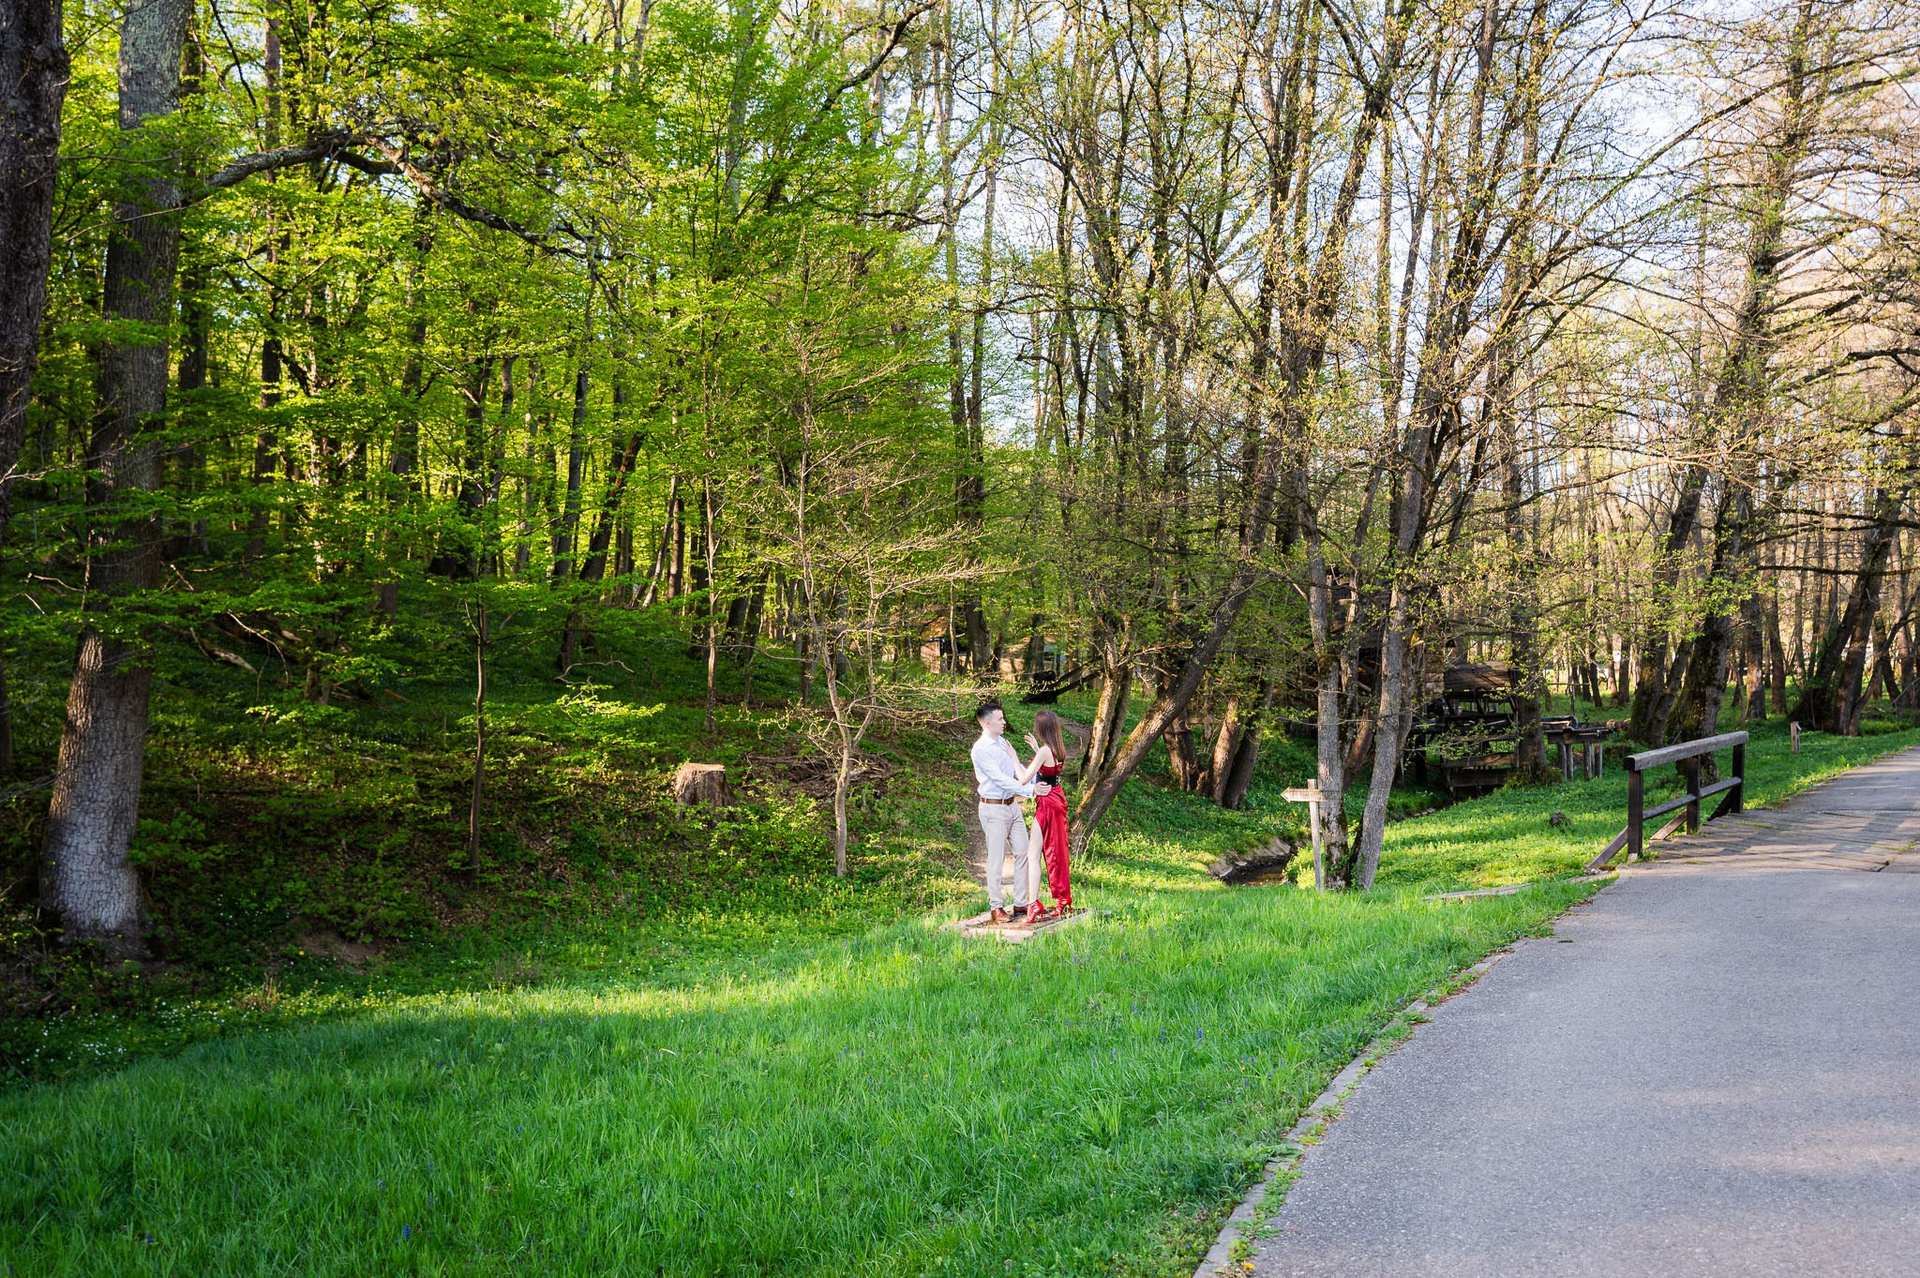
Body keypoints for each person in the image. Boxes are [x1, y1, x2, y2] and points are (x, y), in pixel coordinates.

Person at [969, 699, 1052, 923]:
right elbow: (999, 779)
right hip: (993, 807)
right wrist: (1030, 790)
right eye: (1000, 719)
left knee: (1023, 852)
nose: (1004, 722)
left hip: (1011, 805)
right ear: (987, 723)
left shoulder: (1003, 743)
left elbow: (1018, 771)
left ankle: (1021, 902)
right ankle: (996, 906)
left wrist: (1037, 780)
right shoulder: (980, 750)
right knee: (996, 858)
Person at [1022, 709, 1072, 922]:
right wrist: (1036, 748)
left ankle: (1033, 903)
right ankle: (1062, 899)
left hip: (1047, 803)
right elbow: (1049, 768)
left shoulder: (1045, 751)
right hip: (1056, 797)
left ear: (1041, 729)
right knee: (1056, 849)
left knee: (1034, 853)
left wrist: (1013, 757)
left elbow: (1024, 778)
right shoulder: (1057, 748)